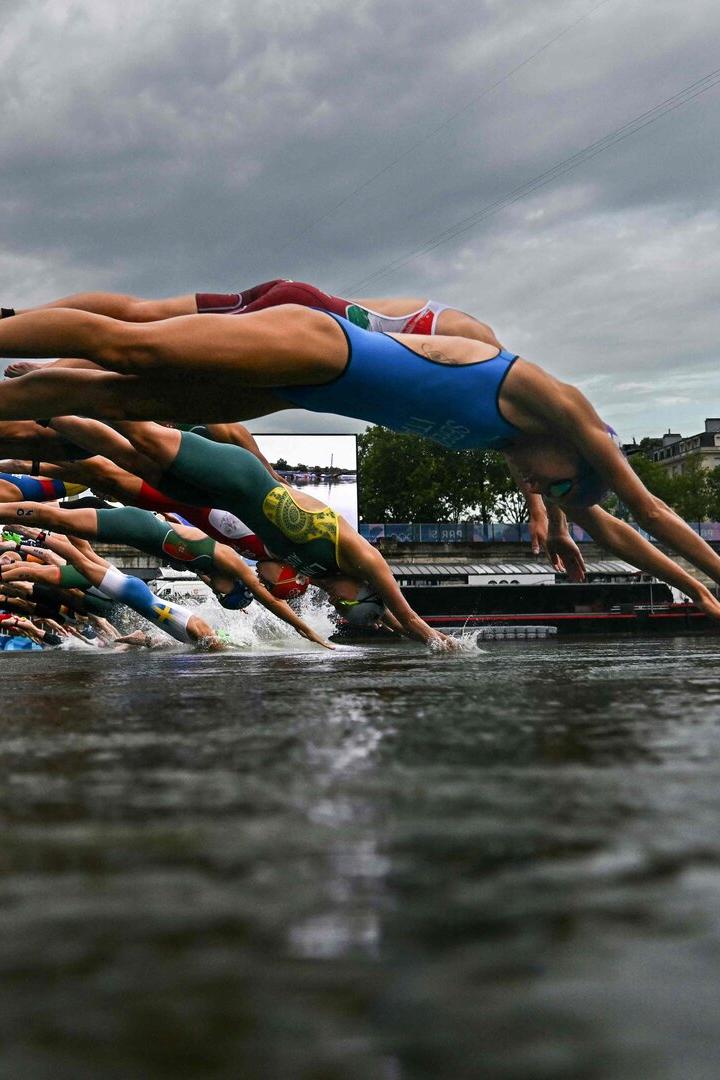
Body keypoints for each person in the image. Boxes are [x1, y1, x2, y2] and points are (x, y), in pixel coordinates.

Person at [1, 303, 720, 617]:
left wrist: (691, 591)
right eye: (550, 481)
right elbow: (651, 509)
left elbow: (616, 528)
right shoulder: (549, 400)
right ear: (574, 449)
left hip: (294, 388)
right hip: (321, 347)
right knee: (132, 344)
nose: (535, 486)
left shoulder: (515, 445)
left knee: (121, 398)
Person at [34, 418, 454, 645]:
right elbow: (406, 611)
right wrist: (435, 640)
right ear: (358, 590)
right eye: (344, 605)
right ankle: (66, 399)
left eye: (339, 610)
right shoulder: (360, 556)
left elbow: (387, 618)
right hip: (235, 477)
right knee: (136, 439)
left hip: (196, 497)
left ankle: (47, 422)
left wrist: (374, 634)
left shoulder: (313, 572)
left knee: (117, 461)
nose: (334, 605)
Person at [0, 503, 334, 649]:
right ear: (232, 583)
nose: (214, 594)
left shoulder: (209, 571)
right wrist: (306, 631)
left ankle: (30, 533)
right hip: (139, 532)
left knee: (75, 546)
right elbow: (270, 600)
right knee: (65, 533)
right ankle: (26, 529)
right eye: (222, 594)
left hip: (136, 566)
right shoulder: (229, 561)